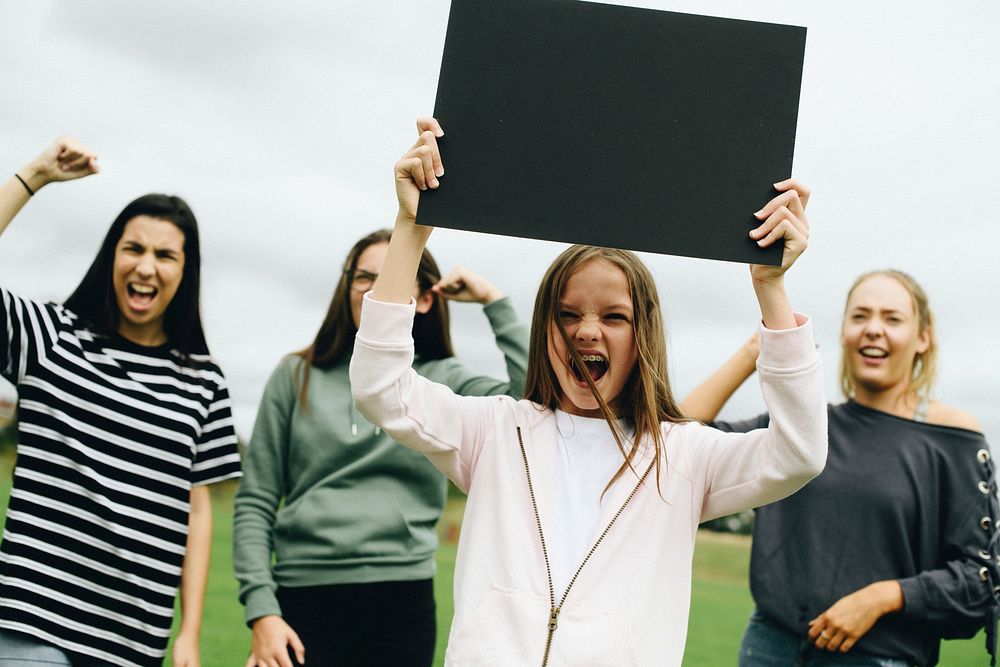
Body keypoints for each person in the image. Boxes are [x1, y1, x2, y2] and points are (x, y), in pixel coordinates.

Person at [347, 118, 827, 666]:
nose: (586, 330)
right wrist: (410, 230)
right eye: (567, 313)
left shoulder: (685, 455)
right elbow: (381, 389)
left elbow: (799, 453)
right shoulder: (494, 431)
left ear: (643, 334)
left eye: (614, 316)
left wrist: (771, 287)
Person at [233, 228, 529, 667]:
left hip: (402, 605)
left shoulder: (442, 378)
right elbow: (256, 500)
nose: (375, 290)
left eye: (393, 275)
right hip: (301, 601)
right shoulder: (295, 375)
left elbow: (527, 404)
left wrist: (495, 301)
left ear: (425, 298)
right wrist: (262, 611)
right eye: (362, 277)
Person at [0, 138, 241, 666]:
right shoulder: (51, 338)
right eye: (133, 249)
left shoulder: (204, 382)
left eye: (165, 254)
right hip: (34, 627)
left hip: (134, 645)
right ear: (112, 256)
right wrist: (34, 177)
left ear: (185, 270)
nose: (146, 267)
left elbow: (196, 509)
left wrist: (190, 633)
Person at [681, 269, 998, 666]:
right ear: (844, 331)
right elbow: (681, 439)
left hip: (879, 657)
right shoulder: (805, 427)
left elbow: (979, 580)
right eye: (860, 316)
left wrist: (883, 597)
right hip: (768, 646)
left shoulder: (953, 440)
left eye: (892, 318)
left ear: (923, 337)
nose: (873, 329)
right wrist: (760, 348)